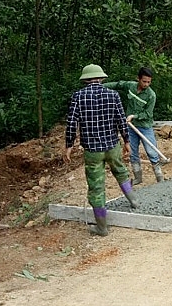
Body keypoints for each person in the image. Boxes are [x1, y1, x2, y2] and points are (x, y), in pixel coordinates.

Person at [64, 64, 139, 236]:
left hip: (92, 150)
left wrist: (68, 146)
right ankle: (134, 201)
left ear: (85, 80)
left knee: (96, 187)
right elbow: (121, 119)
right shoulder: (113, 95)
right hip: (113, 145)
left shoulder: (78, 97)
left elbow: (71, 124)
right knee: (120, 171)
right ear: (101, 78)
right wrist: (127, 141)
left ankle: (102, 227)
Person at [104, 67, 163, 184]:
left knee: (151, 151)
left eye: (149, 82)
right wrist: (101, 86)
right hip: (130, 127)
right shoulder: (130, 86)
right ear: (138, 79)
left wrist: (134, 116)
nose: (146, 84)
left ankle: (159, 177)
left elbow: (148, 114)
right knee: (132, 151)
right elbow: (118, 84)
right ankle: (138, 178)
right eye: (144, 81)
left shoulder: (151, 95)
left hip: (145, 126)